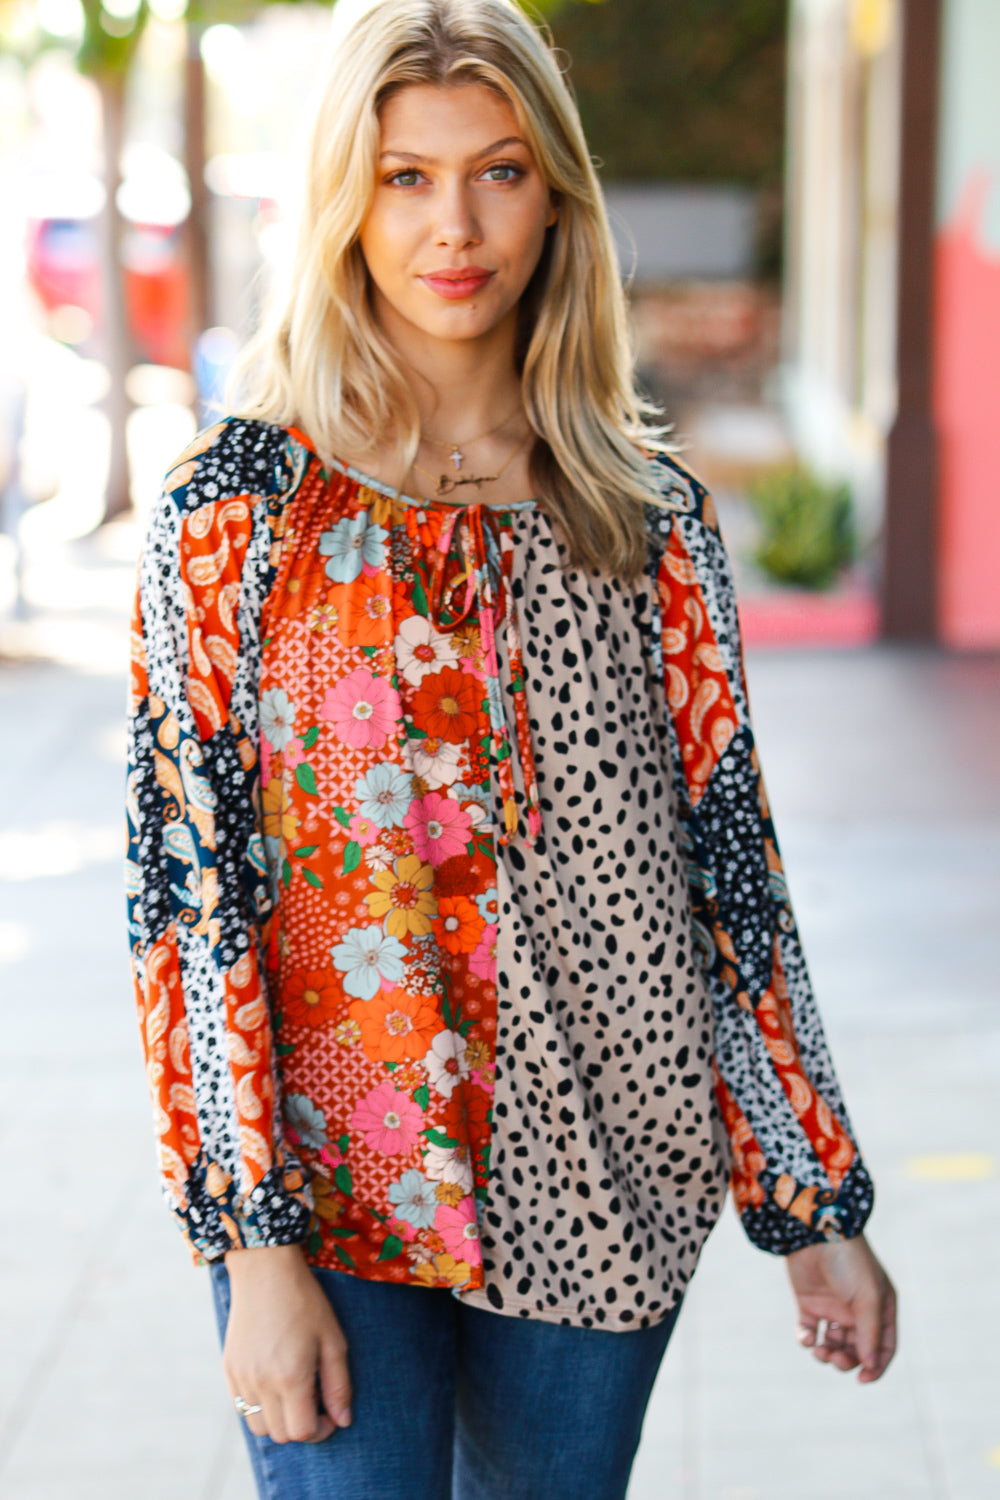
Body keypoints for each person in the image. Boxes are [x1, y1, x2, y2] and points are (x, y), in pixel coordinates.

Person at [124, 1, 897, 1495]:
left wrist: (813, 1203)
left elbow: (729, 869)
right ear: (345, 203)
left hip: (609, 1162)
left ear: (557, 197)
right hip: (331, 1185)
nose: (455, 227)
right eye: (405, 177)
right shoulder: (238, 512)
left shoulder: (648, 520)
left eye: (499, 170)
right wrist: (248, 1243)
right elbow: (186, 898)